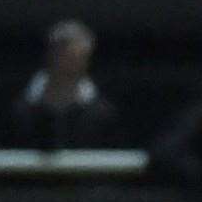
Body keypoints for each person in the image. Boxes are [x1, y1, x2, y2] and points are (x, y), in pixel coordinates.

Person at [10, 19, 120, 150]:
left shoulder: (103, 114)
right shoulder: (18, 109)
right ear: (49, 56)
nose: (69, 66)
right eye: (63, 57)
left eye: (76, 59)